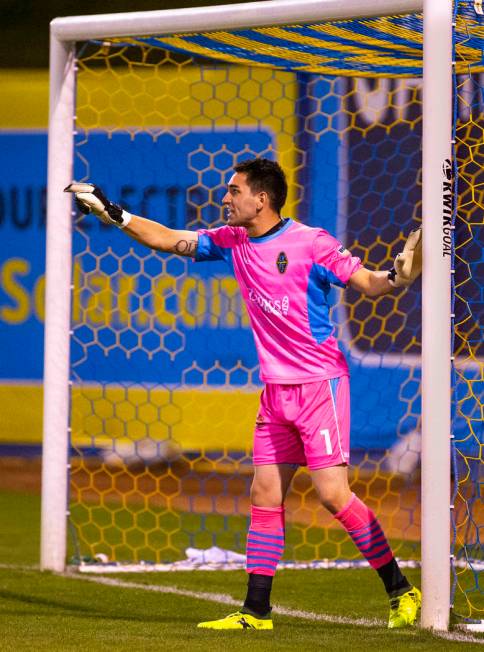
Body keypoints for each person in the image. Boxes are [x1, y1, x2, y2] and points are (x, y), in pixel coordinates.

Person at [65, 157, 422, 630]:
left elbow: (370, 285)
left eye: (234, 191)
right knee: (264, 494)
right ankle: (256, 612)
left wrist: (399, 277)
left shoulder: (311, 243)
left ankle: (401, 589)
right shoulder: (232, 241)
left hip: (320, 386)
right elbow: (168, 238)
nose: (225, 198)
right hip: (276, 393)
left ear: (263, 199)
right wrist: (116, 215)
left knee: (334, 496)